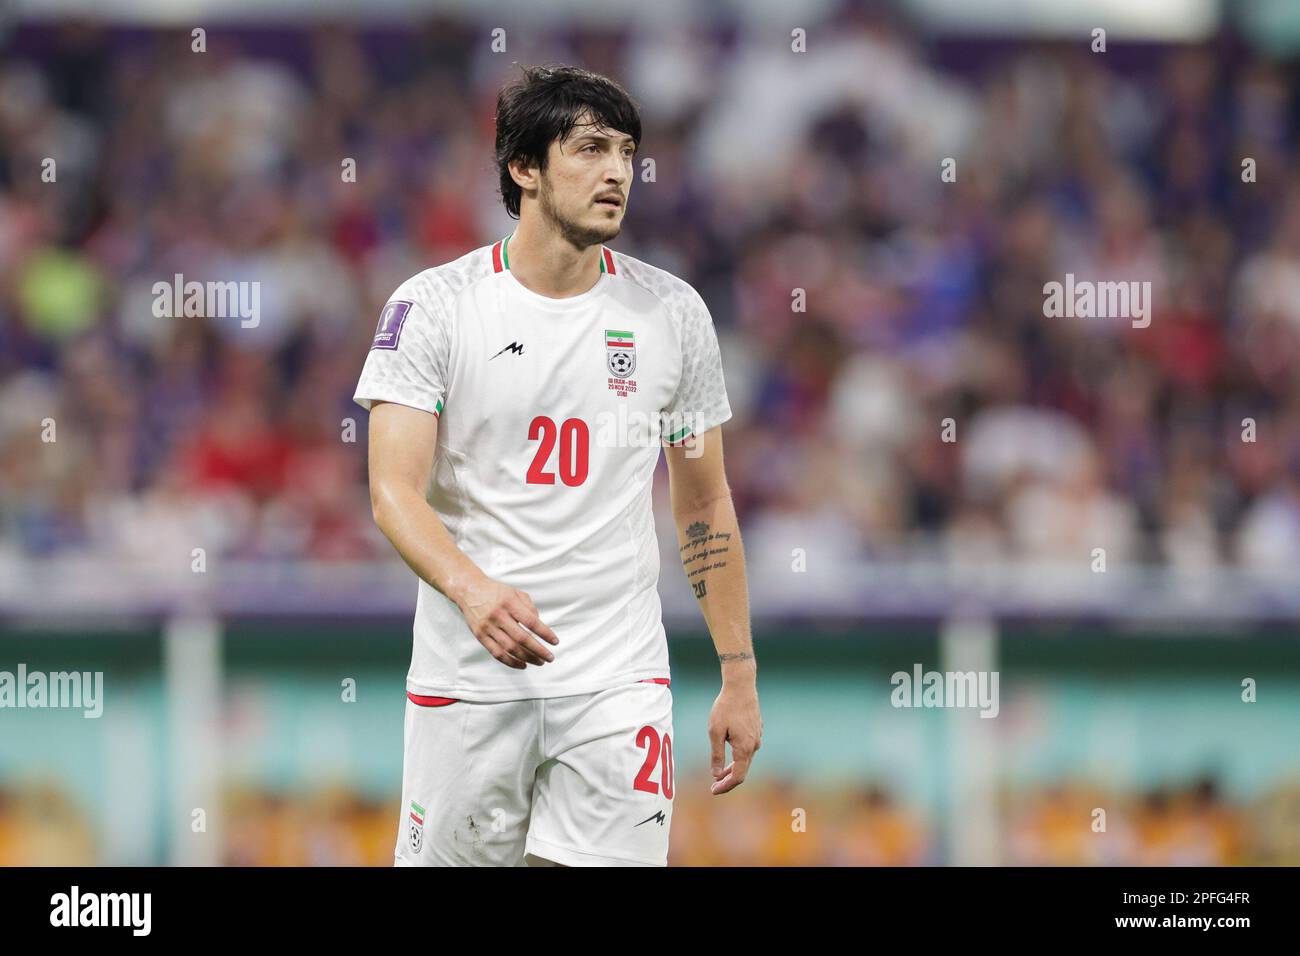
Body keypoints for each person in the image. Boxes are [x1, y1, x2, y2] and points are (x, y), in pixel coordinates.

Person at [354, 64, 762, 867]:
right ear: (524, 168)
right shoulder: (434, 306)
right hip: (470, 682)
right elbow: (392, 493)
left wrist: (738, 672)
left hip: (618, 680)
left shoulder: (672, 315)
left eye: (627, 153)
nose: (616, 171)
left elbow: (705, 503)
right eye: (589, 149)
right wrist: (473, 591)